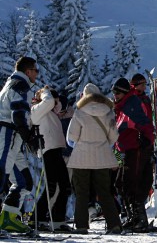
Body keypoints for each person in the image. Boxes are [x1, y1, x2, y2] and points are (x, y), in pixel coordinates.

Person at [66, 83, 121, 235]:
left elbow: (71, 137)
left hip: (81, 158)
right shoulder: (108, 112)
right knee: (104, 192)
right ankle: (114, 224)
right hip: (102, 158)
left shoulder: (79, 112)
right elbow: (114, 137)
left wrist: (80, 144)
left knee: (82, 193)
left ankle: (81, 225)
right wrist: (103, 145)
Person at [0, 57, 41, 233]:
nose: (37, 74)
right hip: (7, 134)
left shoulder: (12, 83)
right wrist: (29, 136)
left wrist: (27, 135)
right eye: (35, 70)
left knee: (24, 182)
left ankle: (8, 218)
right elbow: (17, 114)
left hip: (13, 137)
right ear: (28, 71)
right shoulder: (20, 85)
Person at [112, 78, 154, 232]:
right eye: (114, 92)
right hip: (126, 149)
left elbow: (145, 123)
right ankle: (132, 217)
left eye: (118, 92)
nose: (115, 95)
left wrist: (146, 139)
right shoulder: (123, 105)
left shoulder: (131, 104)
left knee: (131, 182)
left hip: (135, 148)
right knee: (122, 183)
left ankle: (139, 219)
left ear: (125, 92)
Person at [30, 87, 72, 232]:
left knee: (65, 187)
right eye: (54, 100)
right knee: (51, 187)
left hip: (56, 150)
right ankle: (36, 218)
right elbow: (48, 102)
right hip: (48, 151)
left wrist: (55, 100)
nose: (56, 104)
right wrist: (44, 92)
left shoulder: (51, 112)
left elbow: (57, 106)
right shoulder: (37, 109)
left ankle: (57, 220)